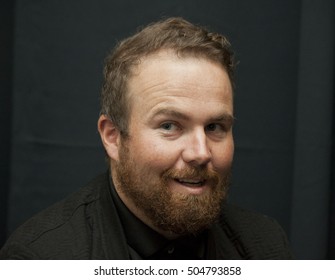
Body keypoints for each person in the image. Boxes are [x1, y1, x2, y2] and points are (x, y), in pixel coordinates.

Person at [0, 17, 293, 259]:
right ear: (113, 137)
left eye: (215, 127)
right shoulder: (40, 258)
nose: (201, 153)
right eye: (169, 126)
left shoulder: (265, 247)